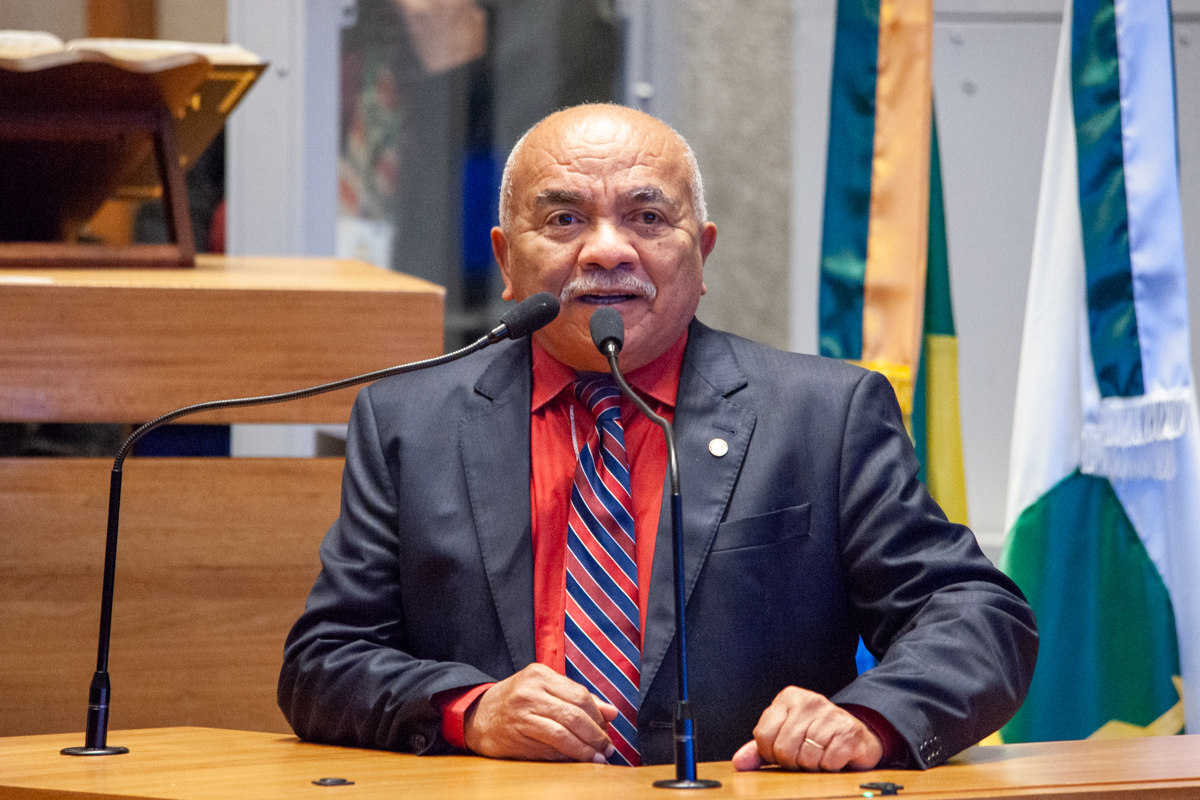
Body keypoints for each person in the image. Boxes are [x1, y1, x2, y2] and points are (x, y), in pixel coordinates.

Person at [278, 103, 1038, 772]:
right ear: (506, 259)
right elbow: (324, 662)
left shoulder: (824, 416)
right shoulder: (409, 424)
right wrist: (468, 711)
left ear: (700, 252)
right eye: (565, 220)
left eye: (647, 218)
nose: (608, 250)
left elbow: (977, 616)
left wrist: (870, 718)